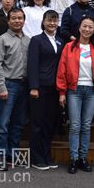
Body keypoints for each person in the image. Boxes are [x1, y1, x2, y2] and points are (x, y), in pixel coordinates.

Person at [56, 17, 94, 174]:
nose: (87, 29)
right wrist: (62, 92)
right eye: (84, 26)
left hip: (91, 91)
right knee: (75, 125)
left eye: (90, 27)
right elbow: (62, 69)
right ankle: (74, 158)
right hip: (74, 90)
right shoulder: (69, 47)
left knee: (86, 126)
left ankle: (83, 158)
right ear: (79, 28)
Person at [0, 8, 30, 171]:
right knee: (3, 124)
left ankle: (11, 156)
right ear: (8, 21)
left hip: (24, 86)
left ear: (24, 20)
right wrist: (1, 87)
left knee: (18, 124)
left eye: (20, 18)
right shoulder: (1, 40)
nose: (17, 21)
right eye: (14, 18)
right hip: (8, 85)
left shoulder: (28, 40)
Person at [27, 10, 64, 170]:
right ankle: (36, 157)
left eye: (55, 20)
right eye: (49, 20)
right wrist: (33, 87)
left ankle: (46, 155)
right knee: (37, 123)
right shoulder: (36, 40)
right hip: (40, 87)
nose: (52, 23)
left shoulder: (60, 41)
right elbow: (32, 64)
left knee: (50, 123)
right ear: (43, 22)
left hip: (54, 88)